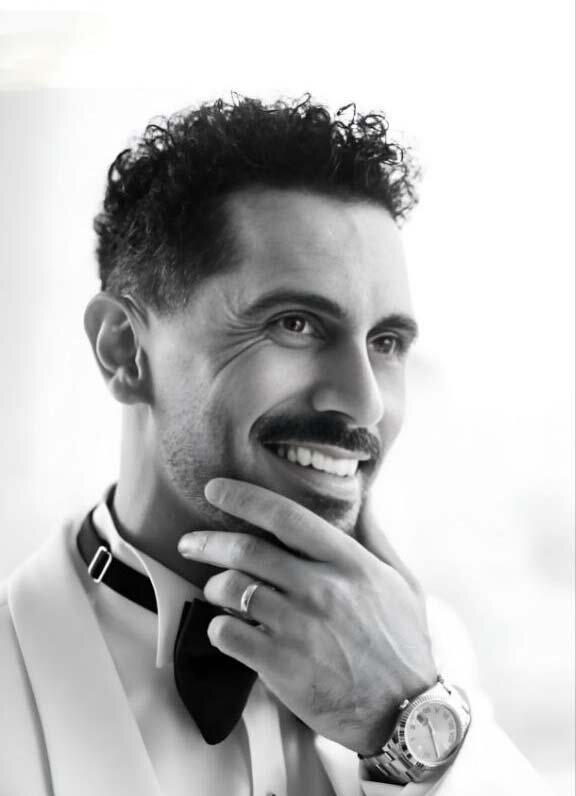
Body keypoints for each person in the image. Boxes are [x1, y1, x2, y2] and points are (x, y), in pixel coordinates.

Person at [0, 95, 550, 795]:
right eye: (295, 324)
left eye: (386, 342)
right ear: (124, 351)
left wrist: (412, 718)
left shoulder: (427, 655)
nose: (365, 402)